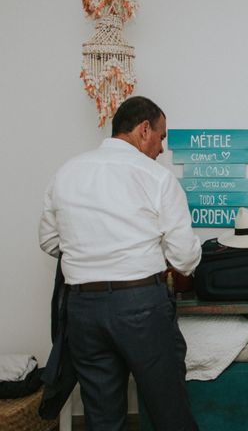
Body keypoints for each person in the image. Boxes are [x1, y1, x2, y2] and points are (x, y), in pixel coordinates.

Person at [39, 96, 201, 430]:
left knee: (102, 415)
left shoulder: (66, 172)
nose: (161, 148)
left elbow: (49, 241)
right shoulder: (156, 177)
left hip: (82, 309)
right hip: (140, 305)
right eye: (162, 136)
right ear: (145, 130)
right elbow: (185, 258)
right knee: (167, 409)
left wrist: (90, 254)